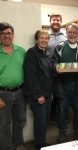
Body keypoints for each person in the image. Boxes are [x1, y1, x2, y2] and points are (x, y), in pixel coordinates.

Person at [52, 23, 78, 144]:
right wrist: (56, 67)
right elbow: (53, 61)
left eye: (74, 32)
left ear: (77, 33)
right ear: (66, 33)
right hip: (62, 88)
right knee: (62, 113)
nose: (72, 34)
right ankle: (62, 132)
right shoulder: (59, 47)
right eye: (70, 32)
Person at [23, 29, 53, 150]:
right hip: (38, 94)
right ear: (37, 39)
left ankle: (42, 142)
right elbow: (30, 76)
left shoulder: (46, 52)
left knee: (45, 119)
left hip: (47, 92)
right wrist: (38, 95)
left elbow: (48, 73)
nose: (44, 40)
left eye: (47, 38)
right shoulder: (32, 52)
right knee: (40, 120)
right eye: (42, 38)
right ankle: (39, 145)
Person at [0, 22, 26, 150]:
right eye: (3, 33)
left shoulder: (21, 51)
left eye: (9, 33)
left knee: (20, 120)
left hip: (20, 92)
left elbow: (28, 71)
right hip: (2, 94)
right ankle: (7, 148)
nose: (6, 36)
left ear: (13, 35)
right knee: (4, 124)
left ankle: (18, 145)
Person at [48, 13, 67, 123]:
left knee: (60, 95)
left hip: (61, 71)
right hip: (47, 71)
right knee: (48, 94)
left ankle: (60, 117)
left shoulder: (64, 37)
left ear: (61, 22)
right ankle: (49, 116)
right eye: (53, 20)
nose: (56, 22)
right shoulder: (45, 35)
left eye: (58, 20)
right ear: (50, 22)